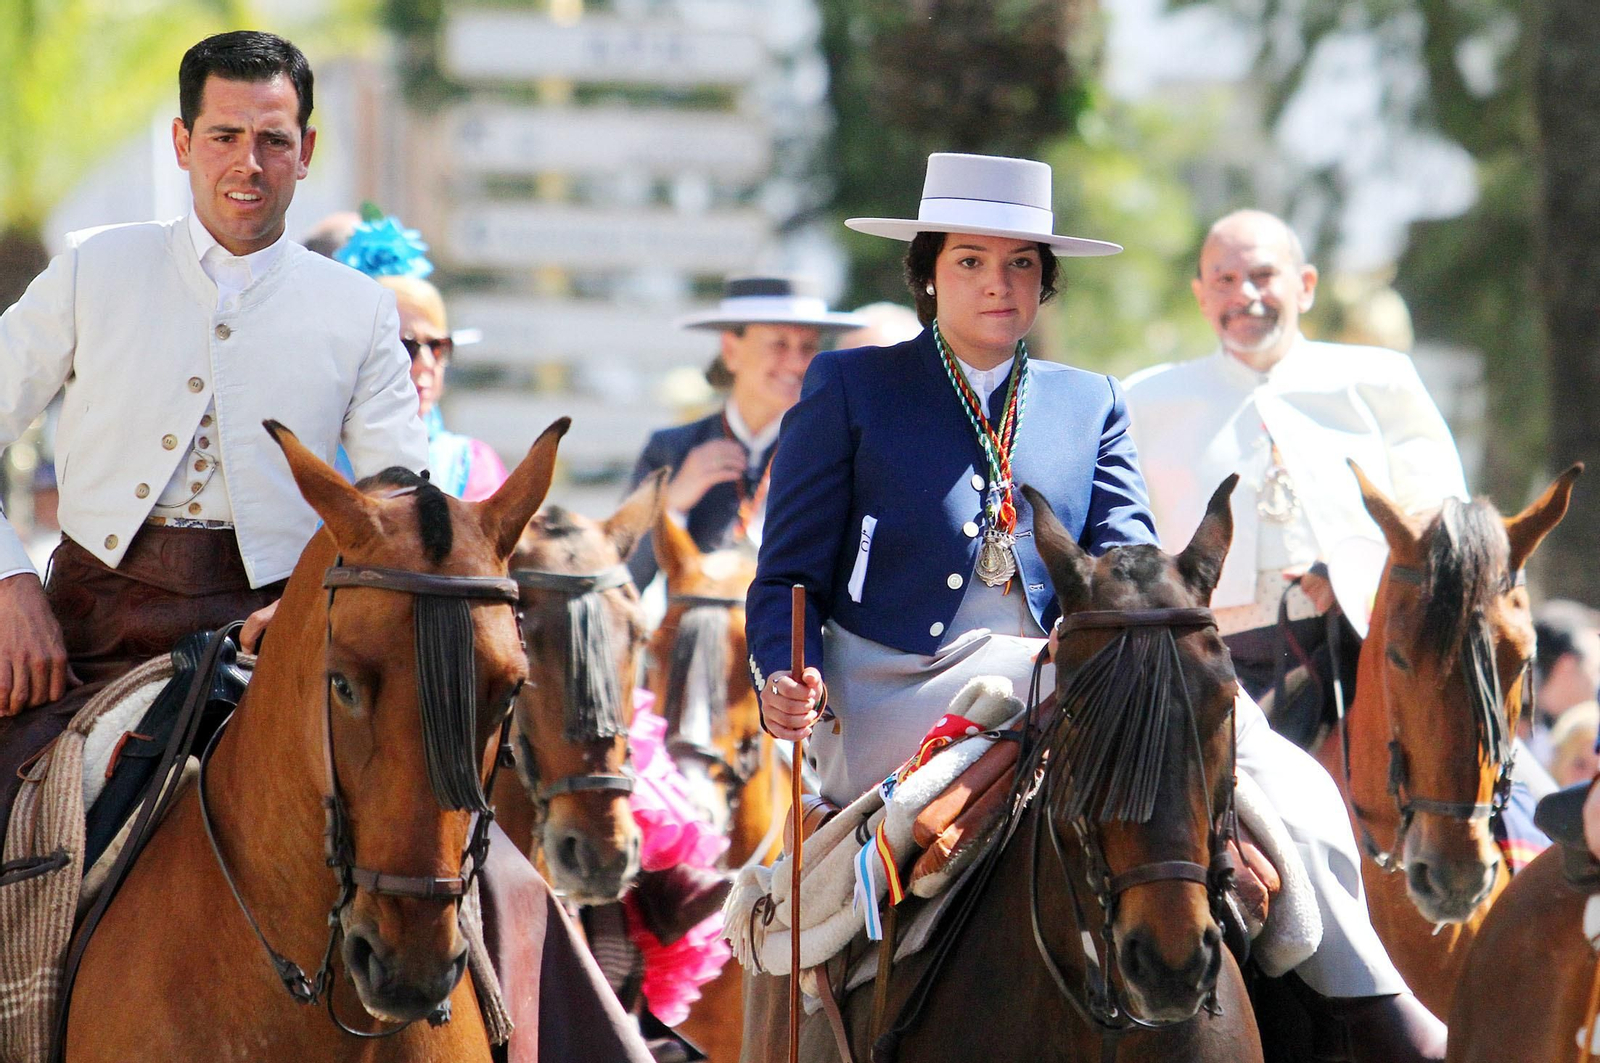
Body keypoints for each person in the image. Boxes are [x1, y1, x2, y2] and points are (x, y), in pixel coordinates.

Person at [747, 153, 1445, 1060]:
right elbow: (786, 576)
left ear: (1044, 279)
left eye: (1020, 264)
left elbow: (1133, 563)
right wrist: (783, 672)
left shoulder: (1092, 400)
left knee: (1284, 774)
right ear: (928, 273)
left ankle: (1370, 1003)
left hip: (1064, 671)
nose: (998, 283)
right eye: (970, 261)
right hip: (896, 685)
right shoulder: (852, 388)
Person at [1123, 210, 1468, 745]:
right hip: (1201, 671)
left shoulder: (1381, 381)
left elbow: (1441, 516)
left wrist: (1356, 567)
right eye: (1224, 280)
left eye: (1262, 276)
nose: (1245, 295)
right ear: (1201, 296)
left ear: (1304, 286)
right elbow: (1120, 540)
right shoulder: (1142, 400)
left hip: (1367, 652)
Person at [624, 277, 864, 590]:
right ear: (731, 350)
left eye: (808, 347)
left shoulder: (836, 451)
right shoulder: (672, 449)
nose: (796, 364)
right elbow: (623, 578)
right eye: (779, 345)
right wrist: (672, 502)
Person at [334, 212, 509, 500]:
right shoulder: (316, 457)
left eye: (438, 346)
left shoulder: (471, 465)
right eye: (407, 347)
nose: (426, 364)